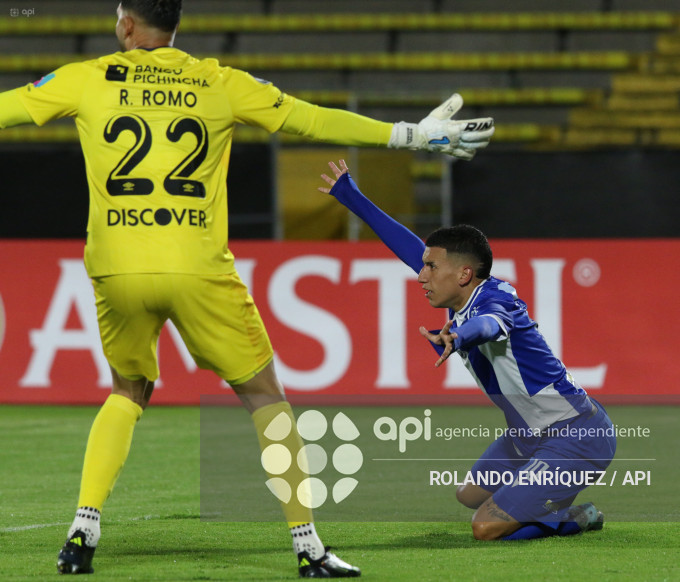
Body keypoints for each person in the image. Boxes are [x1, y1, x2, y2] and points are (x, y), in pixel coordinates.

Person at [0, 1, 495, 577]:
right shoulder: (218, 81)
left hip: (116, 264)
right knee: (264, 396)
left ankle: (82, 530)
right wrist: (408, 134)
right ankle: (309, 547)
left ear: (126, 25)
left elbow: (6, 110)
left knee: (126, 391)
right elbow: (310, 119)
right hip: (197, 266)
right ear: (173, 25)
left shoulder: (87, 77)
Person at [319, 159, 616, 542]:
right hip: (529, 435)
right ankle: (547, 497)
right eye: (422, 266)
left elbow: (489, 326)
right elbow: (405, 244)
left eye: (429, 267)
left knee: (486, 526)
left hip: (576, 435)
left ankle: (576, 517)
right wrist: (349, 195)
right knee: (469, 495)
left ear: (462, 274)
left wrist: (458, 338)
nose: (421, 275)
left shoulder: (496, 300)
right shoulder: (457, 292)